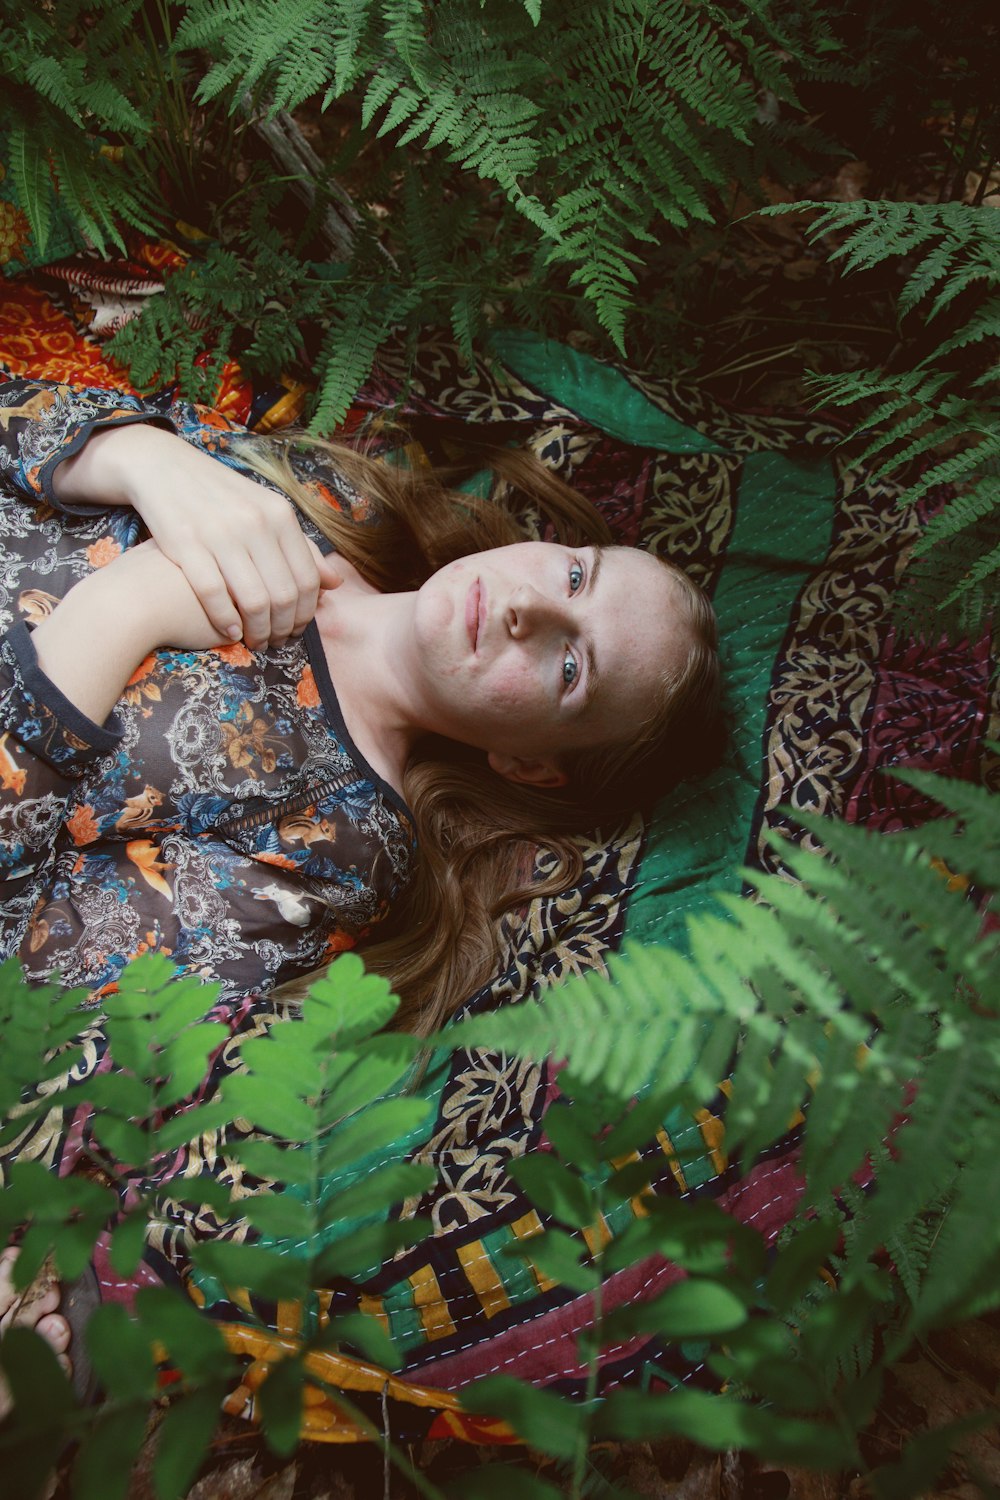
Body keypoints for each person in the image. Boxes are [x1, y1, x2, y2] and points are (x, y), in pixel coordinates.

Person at [0, 376, 720, 1392]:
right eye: (570, 574)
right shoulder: (338, 499)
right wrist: (137, 457)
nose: (521, 608)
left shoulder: (340, 846)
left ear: (530, 767)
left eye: (569, 667)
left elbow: (27, 968)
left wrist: (120, 614)